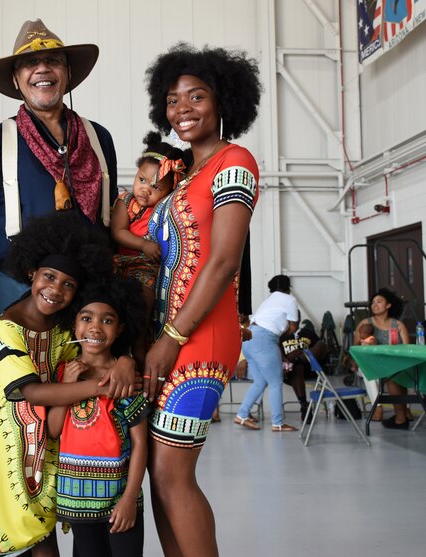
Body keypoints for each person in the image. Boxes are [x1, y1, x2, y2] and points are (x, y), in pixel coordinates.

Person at [0, 18, 119, 378]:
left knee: (82, 419)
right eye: (29, 63)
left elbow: (111, 227)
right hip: (12, 297)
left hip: (86, 304)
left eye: (53, 60)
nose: (42, 68)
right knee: (17, 413)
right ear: (16, 79)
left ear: (67, 73)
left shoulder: (99, 139)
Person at [142, 43, 262, 557]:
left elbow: (223, 262)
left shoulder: (235, 163)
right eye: (172, 99)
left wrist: (171, 337)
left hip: (199, 335)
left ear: (223, 103)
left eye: (197, 96)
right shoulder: (183, 174)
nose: (183, 109)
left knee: (172, 473)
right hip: (169, 334)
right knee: (157, 476)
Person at [0, 213, 132, 557]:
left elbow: (97, 352)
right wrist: (101, 389)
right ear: (31, 272)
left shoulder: (62, 328)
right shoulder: (5, 326)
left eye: (68, 284)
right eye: (49, 276)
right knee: (16, 529)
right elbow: (29, 391)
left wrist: (126, 360)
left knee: (43, 529)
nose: (55, 289)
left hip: (50, 433)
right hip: (6, 436)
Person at [47, 277, 149, 557]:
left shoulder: (125, 378)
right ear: (74, 325)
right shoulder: (63, 371)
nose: (95, 327)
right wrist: (66, 387)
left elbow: (140, 443)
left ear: (120, 330)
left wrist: (130, 498)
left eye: (107, 321)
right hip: (77, 500)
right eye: (86, 318)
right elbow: (54, 430)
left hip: (120, 499)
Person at [111, 132, 186, 367]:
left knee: (147, 296)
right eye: (142, 180)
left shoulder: (166, 209)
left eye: (155, 187)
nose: (145, 189)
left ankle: (140, 338)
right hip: (122, 261)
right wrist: (143, 244)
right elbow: (118, 232)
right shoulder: (126, 202)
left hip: (148, 267)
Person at [235, 275, 300, 432]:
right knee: (276, 382)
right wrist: (280, 335)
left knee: (260, 382)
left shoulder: (268, 301)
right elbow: (293, 327)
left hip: (248, 338)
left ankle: (242, 415)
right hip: (265, 339)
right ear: (288, 287)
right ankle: (278, 423)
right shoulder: (289, 299)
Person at [353, 288, 412, 428]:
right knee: (369, 372)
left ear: (388, 305)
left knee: (404, 370)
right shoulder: (365, 324)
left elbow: (407, 349)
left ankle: (404, 408)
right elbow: (354, 348)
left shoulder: (398, 325)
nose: (375, 305)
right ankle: (377, 406)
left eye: (379, 302)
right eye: (373, 302)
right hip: (370, 363)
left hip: (393, 363)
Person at [280, 318, 329, 421]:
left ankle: (298, 359)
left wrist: (302, 353)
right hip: (290, 371)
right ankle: (304, 405)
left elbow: (320, 349)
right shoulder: (281, 335)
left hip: (310, 368)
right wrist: (290, 357)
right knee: (297, 365)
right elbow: (277, 354)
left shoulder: (307, 333)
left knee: (321, 344)